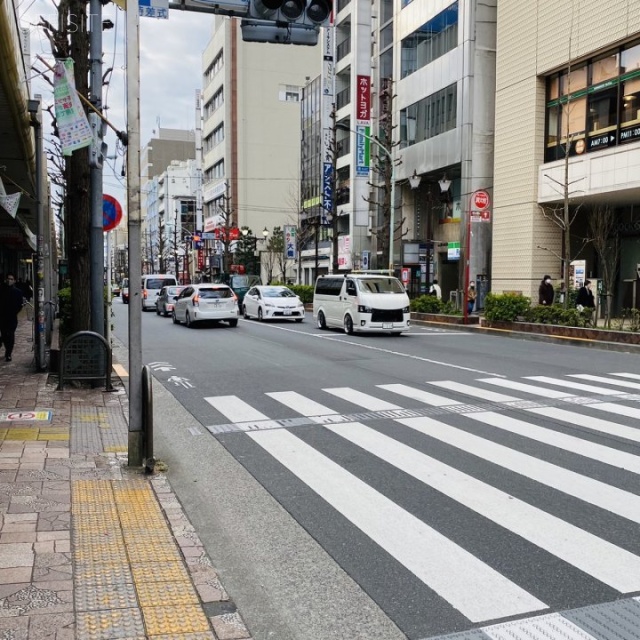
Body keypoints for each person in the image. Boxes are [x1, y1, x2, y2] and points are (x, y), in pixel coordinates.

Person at [0, 273, 25, 362]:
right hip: (2, 317)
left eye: (11, 279)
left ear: (14, 280)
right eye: (8, 278)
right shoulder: (2, 290)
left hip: (12, 317)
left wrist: (14, 312)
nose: (9, 280)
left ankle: (8, 353)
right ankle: (6, 348)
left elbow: (20, 305)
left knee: (10, 335)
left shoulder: (18, 292)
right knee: (4, 335)